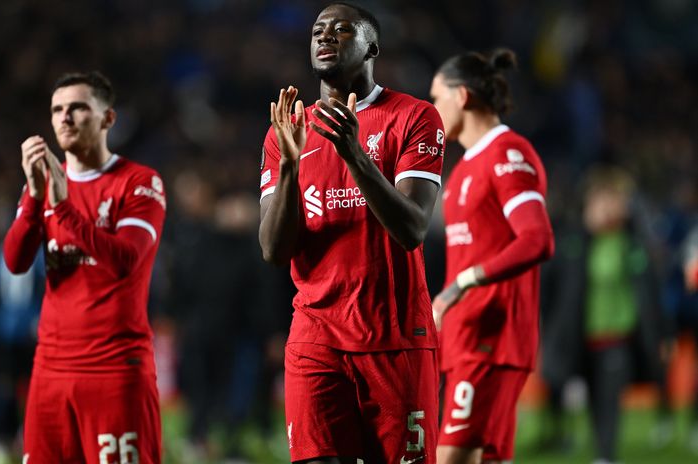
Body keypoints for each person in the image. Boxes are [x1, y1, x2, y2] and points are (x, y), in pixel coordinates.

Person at [259, 3, 445, 463]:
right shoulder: (287, 132)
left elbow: (412, 229)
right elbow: (274, 250)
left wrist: (354, 154)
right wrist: (289, 167)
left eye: (342, 30)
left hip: (395, 339)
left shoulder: (415, 116)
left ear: (372, 47)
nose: (325, 36)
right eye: (318, 31)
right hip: (316, 337)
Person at [3, 71, 166, 464]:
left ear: (108, 118)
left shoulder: (139, 182)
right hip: (50, 370)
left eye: (77, 107)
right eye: (57, 109)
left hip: (114, 369)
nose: (65, 117)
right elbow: (15, 261)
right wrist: (35, 199)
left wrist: (62, 208)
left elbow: (126, 261)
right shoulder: (42, 185)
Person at [429, 49, 555, 464]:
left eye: (436, 98)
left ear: (462, 96)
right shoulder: (463, 169)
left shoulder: (508, 153)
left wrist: (462, 284)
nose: (431, 109)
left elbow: (537, 239)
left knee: (450, 458)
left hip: (492, 341)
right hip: (465, 338)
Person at [539, 166, 671, 464]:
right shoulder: (573, 241)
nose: (612, 207)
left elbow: (652, 293)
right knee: (582, 394)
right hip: (578, 336)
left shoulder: (634, 243)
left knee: (609, 396)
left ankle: (605, 455)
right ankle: (567, 439)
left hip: (617, 337)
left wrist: (663, 333)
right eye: (606, 199)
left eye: (617, 200)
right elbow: (548, 285)